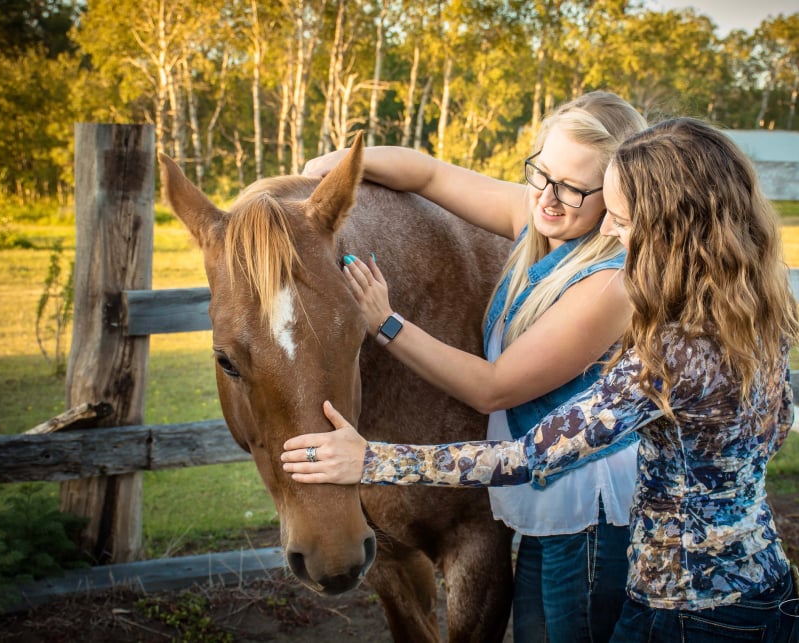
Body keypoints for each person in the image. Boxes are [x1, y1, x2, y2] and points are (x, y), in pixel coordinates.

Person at [284, 117, 799, 642]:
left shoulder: (668, 354)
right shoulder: (758, 317)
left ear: (672, 228)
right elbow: (776, 429)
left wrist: (369, 459)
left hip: (692, 611)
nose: (610, 232)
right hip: (763, 587)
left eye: (621, 219)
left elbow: (524, 458)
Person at [302, 91, 648, 642]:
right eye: (541, 173)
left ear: (615, 197)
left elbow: (494, 389)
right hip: (548, 496)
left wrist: (387, 322)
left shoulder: (609, 280)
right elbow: (428, 175)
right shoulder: (536, 218)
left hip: (587, 515)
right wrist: (327, 173)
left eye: (575, 189)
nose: (549, 198)